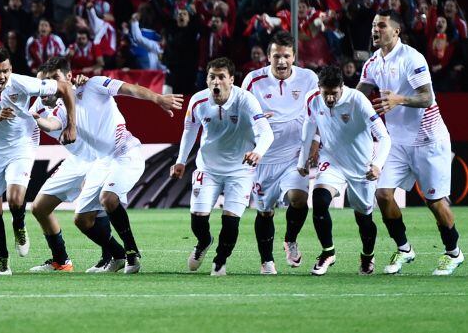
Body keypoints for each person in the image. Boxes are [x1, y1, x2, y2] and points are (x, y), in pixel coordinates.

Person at [29, 56, 183, 273]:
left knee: (108, 199)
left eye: (56, 77)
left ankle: (131, 253)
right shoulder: (59, 106)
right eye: (49, 80)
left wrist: (157, 99)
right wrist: (37, 119)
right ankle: (115, 256)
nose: (52, 83)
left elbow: (129, 89)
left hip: (124, 151)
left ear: (70, 77)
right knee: (82, 220)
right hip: (102, 161)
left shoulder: (94, 84)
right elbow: (52, 122)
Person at [357, 10, 463, 276]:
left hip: (428, 139)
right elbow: (360, 95)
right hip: (395, 142)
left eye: (381, 25)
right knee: (382, 194)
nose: (375, 30)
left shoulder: (412, 58)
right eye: (373, 25)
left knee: (434, 201)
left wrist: (399, 100)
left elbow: (427, 97)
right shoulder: (372, 63)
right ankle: (404, 248)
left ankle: (453, 253)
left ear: (396, 31)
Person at [0, 47, 77, 275]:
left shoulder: (22, 83)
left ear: (11, 70)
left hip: (21, 144)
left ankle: (19, 225)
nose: (1, 76)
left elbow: (65, 88)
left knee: (16, 200)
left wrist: (72, 124)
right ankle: (3, 259)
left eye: (5, 71)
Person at [170, 57, 274, 276]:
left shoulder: (246, 100)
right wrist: (180, 161)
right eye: (212, 77)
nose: (216, 82)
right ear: (206, 80)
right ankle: (204, 241)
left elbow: (266, 132)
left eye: (221, 77)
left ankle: (220, 261)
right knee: (198, 219)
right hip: (208, 168)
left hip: (240, 170)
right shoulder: (198, 101)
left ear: (231, 80)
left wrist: (258, 151)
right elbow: (189, 131)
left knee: (231, 221)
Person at [301, 65, 390, 276]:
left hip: (361, 166)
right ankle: (328, 252)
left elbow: (384, 137)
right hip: (332, 160)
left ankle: (368, 256)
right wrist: (303, 158)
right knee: (320, 200)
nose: (330, 98)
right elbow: (309, 127)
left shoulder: (358, 100)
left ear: (342, 87)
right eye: (326, 93)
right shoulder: (312, 99)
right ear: (319, 88)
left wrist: (377, 164)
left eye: (334, 93)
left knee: (364, 219)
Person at [241, 32, 319, 274]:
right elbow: (241, 113)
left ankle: (290, 239)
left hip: (294, 155)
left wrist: (315, 141)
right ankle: (267, 261)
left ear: (294, 56)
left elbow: (317, 112)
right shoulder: (253, 80)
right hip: (264, 158)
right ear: (268, 57)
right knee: (265, 211)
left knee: (299, 199)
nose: (282, 61)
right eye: (277, 56)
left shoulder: (308, 78)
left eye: (286, 56)